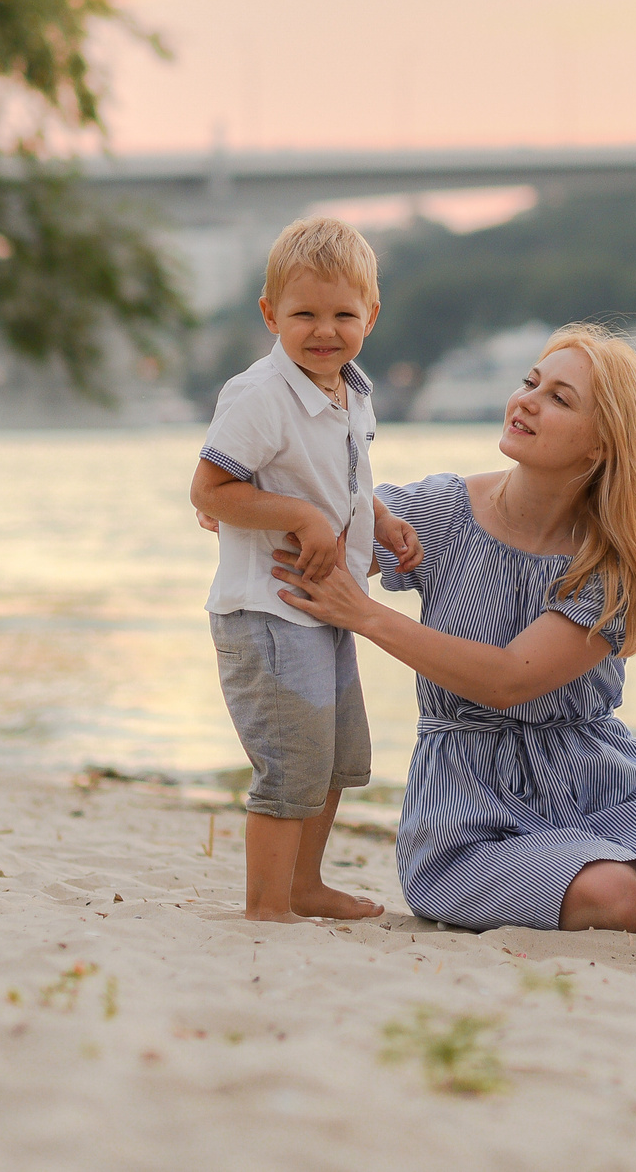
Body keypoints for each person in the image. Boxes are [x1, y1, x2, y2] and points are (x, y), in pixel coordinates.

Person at [268, 323, 636, 962]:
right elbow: (324, 525)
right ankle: (605, 896)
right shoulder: (443, 510)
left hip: (600, 782)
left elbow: (510, 677)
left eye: (560, 399)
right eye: (530, 383)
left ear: (603, 445)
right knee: (616, 899)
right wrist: (252, 503)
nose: (526, 401)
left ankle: (620, 890)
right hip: (469, 805)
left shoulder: (613, 565)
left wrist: (367, 616)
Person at [188, 217, 423, 923]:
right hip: (267, 609)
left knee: (337, 759)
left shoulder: (352, 391)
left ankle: (305, 883)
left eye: (343, 314)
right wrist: (300, 517)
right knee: (290, 765)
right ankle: (267, 905)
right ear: (271, 315)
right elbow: (209, 490)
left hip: (325, 606)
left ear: (371, 315)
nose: (325, 330)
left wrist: (377, 518)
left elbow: (342, 479)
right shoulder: (261, 393)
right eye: (304, 315)